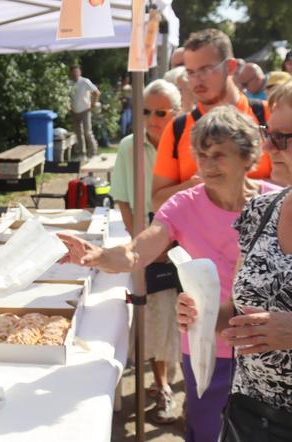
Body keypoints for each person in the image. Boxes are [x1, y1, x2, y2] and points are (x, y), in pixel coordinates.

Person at [60, 106, 280, 442]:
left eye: (219, 155)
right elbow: (138, 251)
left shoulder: (276, 203)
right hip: (209, 345)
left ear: (248, 156)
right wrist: (99, 256)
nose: (207, 166)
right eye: (201, 155)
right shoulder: (183, 205)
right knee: (209, 431)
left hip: (269, 347)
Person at [177, 80, 292, 441]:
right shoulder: (261, 211)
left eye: (284, 138)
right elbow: (240, 312)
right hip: (249, 415)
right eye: (268, 133)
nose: (270, 147)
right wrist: (204, 311)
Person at [111, 79, 181, 424]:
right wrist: (143, 241)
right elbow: (122, 197)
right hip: (147, 235)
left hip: (185, 238)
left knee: (185, 316)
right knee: (156, 314)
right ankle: (161, 384)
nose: (152, 118)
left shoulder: (188, 142)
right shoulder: (129, 145)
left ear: (177, 113)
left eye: (161, 112)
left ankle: (193, 388)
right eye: (145, 111)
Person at [151, 28, 272, 212]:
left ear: (230, 67)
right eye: (190, 72)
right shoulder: (177, 128)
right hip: (197, 240)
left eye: (205, 70)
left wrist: (239, 186)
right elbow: (156, 201)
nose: (196, 80)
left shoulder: (269, 116)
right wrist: (194, 186)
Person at [69, 64, 100, 161]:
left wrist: (93, 104)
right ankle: (82, 154)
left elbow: (96, 92)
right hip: (74, 111)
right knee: (78, 133)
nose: (75, 74)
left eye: (76, 72)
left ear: (80, 72)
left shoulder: (85, 81)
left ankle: (93, 152)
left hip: (85, 110)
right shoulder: (69, 83)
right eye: (73, 72)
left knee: (87, 132)